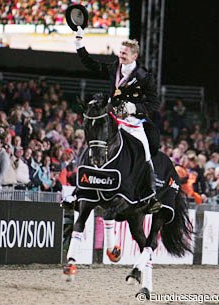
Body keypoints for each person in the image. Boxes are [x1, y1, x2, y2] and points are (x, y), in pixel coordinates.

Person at [74, 27, 161, 209]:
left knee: (145, 152)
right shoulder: (114, 68)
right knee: (93, 144)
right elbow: (91, 64)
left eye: (125, 53)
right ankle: (78, 191)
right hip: (111, 118)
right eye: (120, 52)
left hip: (132, 123)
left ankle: (150, 195)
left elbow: (153, 104)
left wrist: (134, 107)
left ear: (134, 56)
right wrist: (79, 42)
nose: (121, 55)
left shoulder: (144, 77)